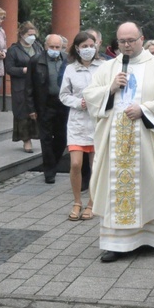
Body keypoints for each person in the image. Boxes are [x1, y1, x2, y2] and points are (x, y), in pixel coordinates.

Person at [84, 22, 154, 263]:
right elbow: (91, 95)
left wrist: (145, 110)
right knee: (116, 188)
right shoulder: (108, 68)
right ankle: (116, 244)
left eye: (131, 40)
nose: (126, 45)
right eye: (122, 42)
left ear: (141, 38)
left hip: (145, 138)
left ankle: (151, 239)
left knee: (149, 185)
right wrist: (111, 88)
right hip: (114, 138)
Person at [60, 31, 104, 221]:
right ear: (77, 48)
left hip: (97, 121)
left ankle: (92, 203)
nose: (88, 49)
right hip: (77, 121)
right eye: (84, 46)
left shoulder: (104, 67)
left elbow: (110, 91)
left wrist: (97, 102)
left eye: (91, 45)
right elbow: (63, 95)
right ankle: (77, 201)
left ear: (96, 46)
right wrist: (79, 103)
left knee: (96, 166)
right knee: (76, 163)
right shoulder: (70, 69)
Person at [26, 34, 69, 184]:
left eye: (58, 47)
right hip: (44, 104)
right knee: (46, 138)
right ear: (45, 46)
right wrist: (31, 108)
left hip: (63, 103)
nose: (55, 50)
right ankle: (49, 171)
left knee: (62, 138)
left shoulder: (67, 59)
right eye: (52, 47)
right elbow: (29, 86)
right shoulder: (36, 60)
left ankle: (54, 163)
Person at [5, 22, 43, 153]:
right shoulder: (13, 50)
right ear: (21, 35)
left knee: (37, 110)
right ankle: (26, 140)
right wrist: (23, 70)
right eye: (29, 34)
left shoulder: (38, 47)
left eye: (34, 34)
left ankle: (37, 135)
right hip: (21, 85)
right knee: (22, 112)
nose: (32, 37)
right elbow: (9, 68)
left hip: (37, 84)